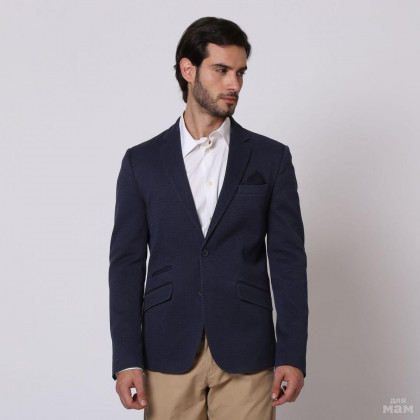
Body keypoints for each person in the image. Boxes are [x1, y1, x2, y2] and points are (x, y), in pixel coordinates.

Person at [108, 16, 308, 420]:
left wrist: (292, 353)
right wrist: (127, 358)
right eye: (221, 70)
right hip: (167, 349)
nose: (234, 84)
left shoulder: (271, 158)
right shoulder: (141, 162)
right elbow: (126, 265)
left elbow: (288, 260)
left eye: (240, 72)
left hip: (247, 349)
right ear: (188, 70)